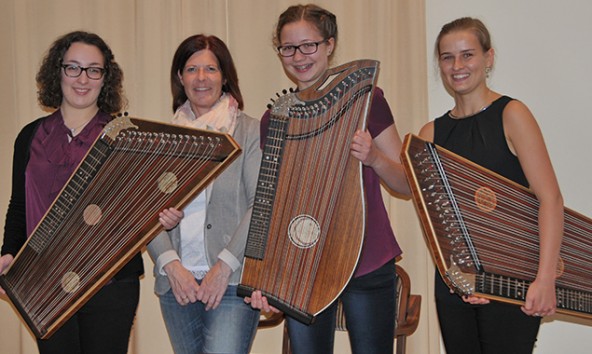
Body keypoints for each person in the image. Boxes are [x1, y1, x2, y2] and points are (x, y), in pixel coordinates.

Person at [0, 31, 180, 354]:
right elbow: (19, 206)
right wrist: (8, 254)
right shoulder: (29, 137)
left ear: (104, 77)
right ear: (58, 72)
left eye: (93, 70)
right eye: (73, 68)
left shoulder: (127, 137)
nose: (83, 79)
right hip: (44, 284)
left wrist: (161, 218)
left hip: (109, 285)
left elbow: (139, 207)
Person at [246, 4, 410, 354]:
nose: (299, 56)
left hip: (367, 259)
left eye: (309, 45)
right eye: (288, 48)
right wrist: (268, 276)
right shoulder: (273, 120)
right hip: (303, 266)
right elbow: (272, 206)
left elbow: (405, 184)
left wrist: (375, 158)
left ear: (330, 45)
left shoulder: (369, 100)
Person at [418, 17, 564, 354]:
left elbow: (551, 200)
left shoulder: (513, 114)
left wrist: (544, 280)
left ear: (489, 58)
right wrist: (460, 277)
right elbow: (439, 221)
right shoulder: (430, 134)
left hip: (514, 280)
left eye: (467, 55)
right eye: (447, 57)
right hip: (455, 286)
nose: (457, 66)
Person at [146, 34, 262, 354]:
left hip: (232, 279)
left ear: (225, 76)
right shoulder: (163, 138)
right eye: (191, 69)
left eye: (210, 69)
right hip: (177, 283)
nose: (201, 78)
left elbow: (260, 205)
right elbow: (142, 211)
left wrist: (223, 266)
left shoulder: (249, 131)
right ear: (179, 78)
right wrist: (170, 264)